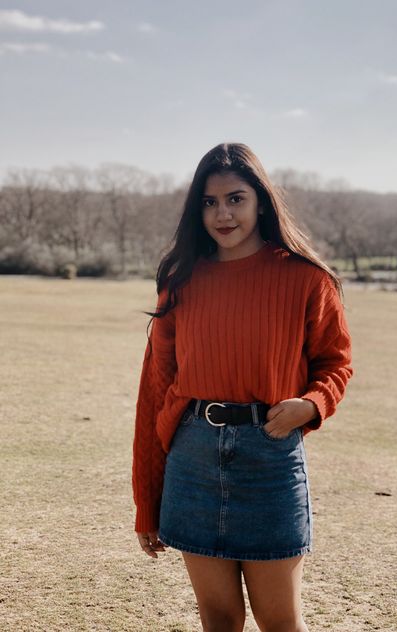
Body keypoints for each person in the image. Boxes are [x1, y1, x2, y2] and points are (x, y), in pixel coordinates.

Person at [132, 142, 353, 632]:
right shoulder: (180, 279)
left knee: (281, 622)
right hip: (191, 460)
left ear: (260, 201)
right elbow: (155, 392)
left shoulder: (306, 278)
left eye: (235, 199)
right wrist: (147, 499)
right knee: (219, 620)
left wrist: (311, 404)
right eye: (209, 202)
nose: (222, 214)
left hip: (270, 459)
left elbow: (336, 363)